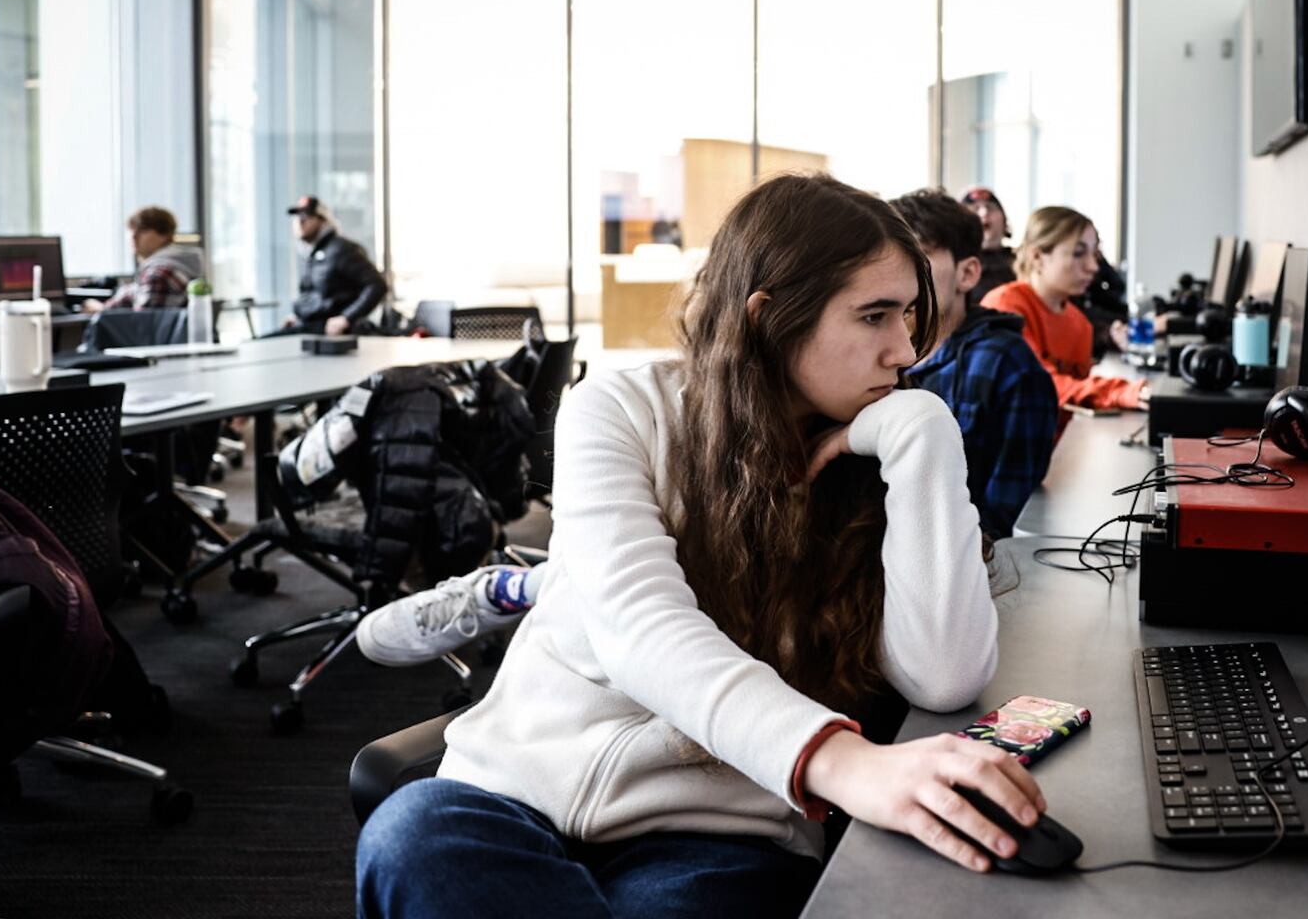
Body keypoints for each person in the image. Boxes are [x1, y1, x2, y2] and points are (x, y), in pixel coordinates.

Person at [356, 173, 1046, 919]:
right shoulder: (619, 410)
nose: (905, 350)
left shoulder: (883, 450)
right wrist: (837, 762)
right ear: (769, 319)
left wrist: (924, 435)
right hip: (513, 796)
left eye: (910, 316)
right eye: (874, 316)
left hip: (719, 834)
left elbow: (944, 678)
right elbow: (640, 628)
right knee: (407, 832)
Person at [890, 189, 1057, 539]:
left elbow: (1000, 521)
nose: (895, 277)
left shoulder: (1008, 367)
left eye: (916, 259)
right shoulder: (876, 355)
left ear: (967, 274)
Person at [982, 206, 1147, 427]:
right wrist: (1124, 392)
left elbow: (1075, 396)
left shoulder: (1079, 324)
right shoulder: (1004, 307)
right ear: (1038, 256)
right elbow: (1039, 386)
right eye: (1079, 253)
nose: (1093, 267)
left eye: (1094, 254)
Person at [278, 196, 387, 336]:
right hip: (307, 326)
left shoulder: (341, 249)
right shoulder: (312, 253)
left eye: (306, 215)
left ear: (323, 220)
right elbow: (312, 293)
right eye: (297, 215)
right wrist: (297, 315)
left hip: (327, 332)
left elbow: (377, 285)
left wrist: (346, 318)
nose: (300, 221)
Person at [83, 206, 204, 312]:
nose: (134, 236)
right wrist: (102, 308)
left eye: (143, 230)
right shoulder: (171, 266)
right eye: (132, 230)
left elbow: (142, 324)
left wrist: (100, 311)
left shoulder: (159, 273)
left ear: (164, 235)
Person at [961, 186, 1016, 306]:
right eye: (975, 209)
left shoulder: (1021, 261)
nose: (984, 213)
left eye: (990, 208)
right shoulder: (957, 265)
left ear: (1004, 220)